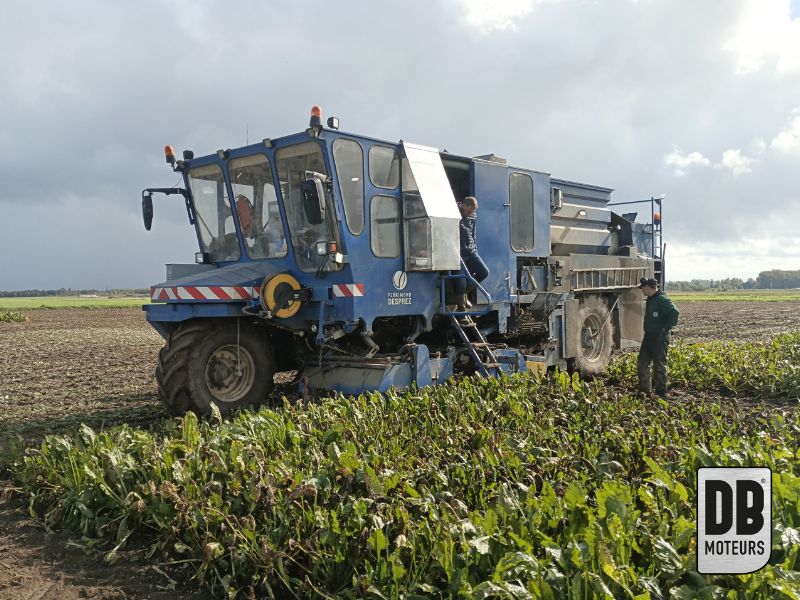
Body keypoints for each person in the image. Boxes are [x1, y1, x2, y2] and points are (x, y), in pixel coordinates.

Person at [637, 277, 680, 399]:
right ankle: (644, 390)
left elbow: (674, 313)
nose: (642, 291)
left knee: (659, 365)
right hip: (649, 337)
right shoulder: (651, 300)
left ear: (648, 287)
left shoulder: (662, 299)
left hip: (659, 338)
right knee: (642, 362)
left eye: (642, 288)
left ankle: (661, 392)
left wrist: (665, 328)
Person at [457, 196, 489, 311]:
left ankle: (465, 294)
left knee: (484, 272)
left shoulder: (472, 216)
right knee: (460, 281)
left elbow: (473, 233)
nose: (470, 214)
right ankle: (461, 309)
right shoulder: (454, 212)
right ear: (464, 205)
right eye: (469, 211)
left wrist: (475, 249)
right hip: (459, 253)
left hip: (471, 251)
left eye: (472, 212)